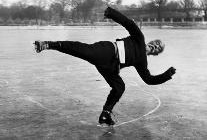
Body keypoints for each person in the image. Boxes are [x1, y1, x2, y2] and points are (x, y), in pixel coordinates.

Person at [34, 7, 176, 126]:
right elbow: (129, 23)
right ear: (152, 41)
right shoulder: (140, 38)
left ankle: (105, 114)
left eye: (158, 48)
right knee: (81, 50)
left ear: (155, 53)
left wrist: (166, 75)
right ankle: (47, 44)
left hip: (111, 67)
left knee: (119, 87)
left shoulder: (142, 61)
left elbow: (149, 79)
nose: (155, 46)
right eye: (156, 43)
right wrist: (111, 13)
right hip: (107, 51)